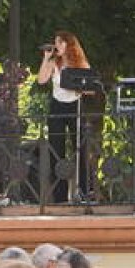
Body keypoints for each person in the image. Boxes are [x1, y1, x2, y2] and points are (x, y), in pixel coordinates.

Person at [36, 31, 94, 203]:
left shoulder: (80, 63)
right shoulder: (55, 62)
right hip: (57, 106)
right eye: (56, 43)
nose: (57, 46)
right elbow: (41, 80)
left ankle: (84, 191)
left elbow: (90, 87)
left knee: (81, 147)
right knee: (56, 149)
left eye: (60, 43)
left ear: (69, 44)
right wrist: (46, 58)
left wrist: (78, 85)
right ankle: (59, 195)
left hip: (75, 105)